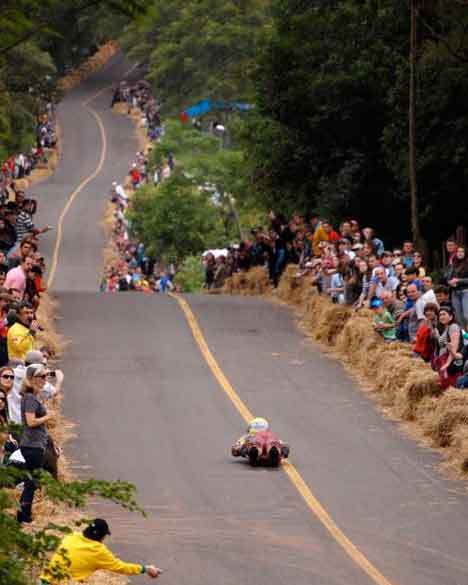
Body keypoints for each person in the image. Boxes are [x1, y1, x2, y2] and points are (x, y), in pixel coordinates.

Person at [40, 518, 161, 583]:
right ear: (102, 537)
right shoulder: (98, 551)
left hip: (44, 580)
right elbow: (121, 567)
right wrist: (146, 569)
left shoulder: (71, 536)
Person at [17, 364, 52, 523]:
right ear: (32, 379)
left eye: (46, 376)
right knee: (31, 482)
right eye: (42, 376)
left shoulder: (32, 397)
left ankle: (24, 512)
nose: (45, 380)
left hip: (35, 444)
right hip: (32, 445)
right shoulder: (30, 398)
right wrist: (47, 417)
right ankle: (24, 514)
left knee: (31, 481)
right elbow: (31, 422)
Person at [432, 306, 465, 389]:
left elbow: (454, 346)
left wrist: (447, 363)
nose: (441, 316)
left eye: (444, 314)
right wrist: (437, 335)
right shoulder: (446, 328)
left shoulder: (453, 327)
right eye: (440, 315)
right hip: (443, 360)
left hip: (450, 361)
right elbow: (443, 343)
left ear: (451, 317)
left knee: (450, 384)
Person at [447, 244, 468, 329]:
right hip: (455, 292)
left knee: (466, 316)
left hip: (465, 291)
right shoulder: (453, 264)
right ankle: (464, 338)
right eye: (458, 251)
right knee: (459, 318)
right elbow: (448, 277)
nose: (460, 253)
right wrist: (450, 282)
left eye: (462, 251)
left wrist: (458, 281)